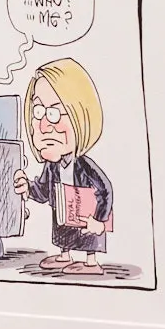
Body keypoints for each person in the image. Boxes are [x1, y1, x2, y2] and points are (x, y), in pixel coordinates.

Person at [12, 58, 111, 275]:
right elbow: (44, 191)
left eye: (55, 113)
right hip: (64, 215)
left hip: (88, 218)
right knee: (63, 228)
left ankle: (91, 262)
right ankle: (65, 254)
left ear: (80, 116)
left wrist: (100, 221)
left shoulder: (85, 167)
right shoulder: (52, 166)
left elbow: (105, 191)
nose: (45, 125)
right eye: (38, 112)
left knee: (86, 234)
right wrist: (27, 188)